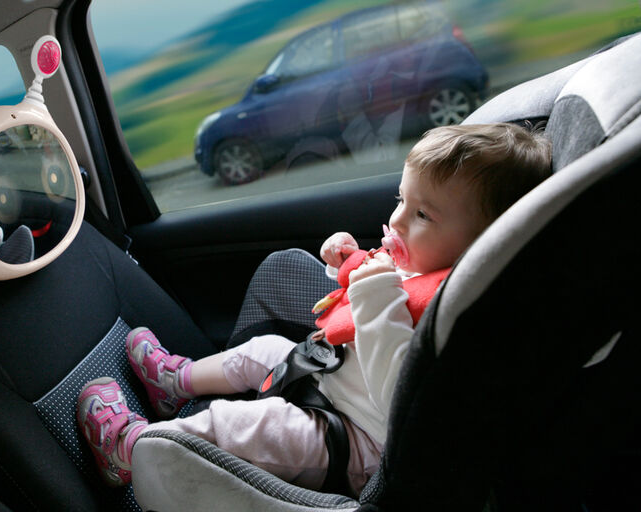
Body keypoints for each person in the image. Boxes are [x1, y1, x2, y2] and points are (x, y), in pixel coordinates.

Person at [76, 123, 552, 493]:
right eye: (401, 200)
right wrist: (346, 267)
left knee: (255, 427)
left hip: (357, 442)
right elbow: (362, 301)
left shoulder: (459, 311)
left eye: (423, 214)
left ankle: (131, 451)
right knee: (263, 350)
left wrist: (373, 294)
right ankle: (176, 383)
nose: (397, 219)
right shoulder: (429, 264)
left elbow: (401, 396)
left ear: (484, 245)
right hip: (330, 380)